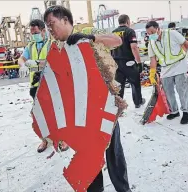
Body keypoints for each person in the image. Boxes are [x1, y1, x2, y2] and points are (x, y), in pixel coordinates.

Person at [44, 5, 132, 192]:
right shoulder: (55, 47)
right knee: (88, 156)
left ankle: (123, 189)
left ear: (65, 20)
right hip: (81, 113)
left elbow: (116, 40)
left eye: (52, 23)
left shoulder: (88, 31)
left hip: (104, 105)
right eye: (48, 26)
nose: (50, 29)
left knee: (113, 154)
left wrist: (91, 38)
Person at [17, 19, 69, 153]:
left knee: (57, 114)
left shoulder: (52, 44)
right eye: (32, 32)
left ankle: (63, 139)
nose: (34, 35)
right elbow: (22, 58)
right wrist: (22, 64)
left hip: (52, 85)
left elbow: (55, 61)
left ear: (43, 31)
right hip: (36, 86)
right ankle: (45, 139)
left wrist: (36, 63)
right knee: (40, 116)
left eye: (36, 32)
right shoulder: (31, 46)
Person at [146, 21, 188, 124]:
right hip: (165, 69)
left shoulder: (172, 34)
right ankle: (174, 111)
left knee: (182, 90)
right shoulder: (151, 43)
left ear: (158, 29)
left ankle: (185, 112)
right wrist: (152, 73)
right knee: (168, 92)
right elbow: (153, 59)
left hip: (180, 65)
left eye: (152, 32)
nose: (150, 35)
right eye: (148, 33)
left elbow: (185, 44)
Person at [111, 14, 145, 108]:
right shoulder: (130, 31)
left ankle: (119, 105)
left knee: (119, 85)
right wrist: (139, 62)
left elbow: (110, 48)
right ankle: (138, 102)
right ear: (127, 21)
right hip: (128, 62)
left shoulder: (113, 33)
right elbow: (134, 47)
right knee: (135, 82)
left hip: (116, 62)